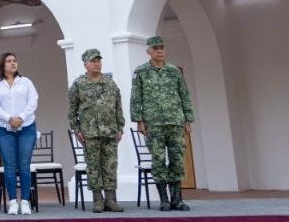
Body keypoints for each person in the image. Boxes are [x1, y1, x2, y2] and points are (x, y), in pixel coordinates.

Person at [130, 36, 195, 212]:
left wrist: (187, 120)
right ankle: (164, 200)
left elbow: (185, 96)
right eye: (156, 48)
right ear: (148, 51)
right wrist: (139, 121)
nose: (159, 51)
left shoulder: (174, 71)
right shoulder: (141, 72)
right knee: (158, 160)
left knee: (177, 160)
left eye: (162, 48)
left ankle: (177, 199)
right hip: (154, 124)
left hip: (175, 121)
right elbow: (136, 98)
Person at [68, 49, 125, 213]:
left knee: (110, 165)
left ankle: (110, 199)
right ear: (85, 64)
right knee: (93, 166)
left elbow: (118, 106)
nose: (97, 63)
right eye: (93, 61)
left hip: (110, 132)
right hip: (89, 133)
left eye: (98, 60)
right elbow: (72, 111)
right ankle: (98, 200)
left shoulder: (110, 83)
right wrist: (77, 129)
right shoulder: (79, 84)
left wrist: (120, 127)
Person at [0, 52, 38, 216]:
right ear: (2, 65)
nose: (13, 63)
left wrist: (21, 118)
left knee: (24, 165)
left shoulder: (26, 82)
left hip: (27, 127)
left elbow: (33, 101)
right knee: (9, 166)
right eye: (9, 61)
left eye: (15, 60)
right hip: (3, 128)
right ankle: (12, 202)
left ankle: (24, 201)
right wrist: (9, 119)